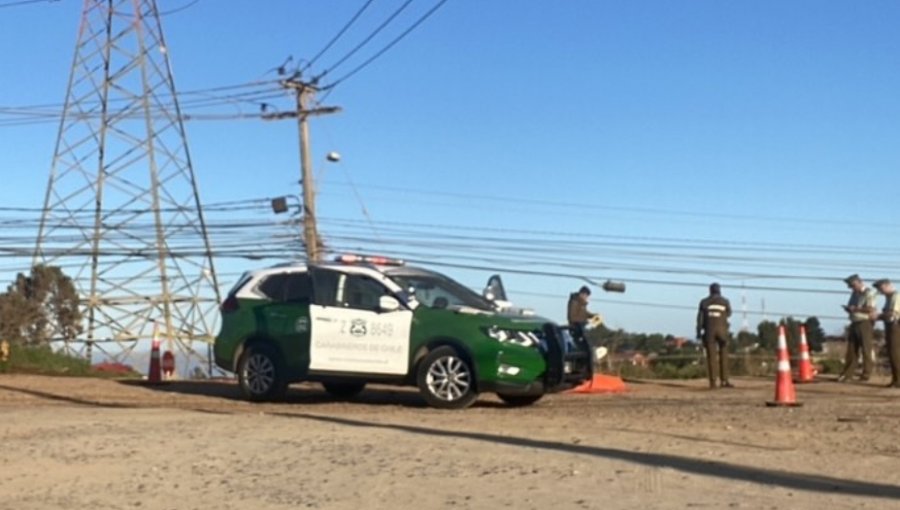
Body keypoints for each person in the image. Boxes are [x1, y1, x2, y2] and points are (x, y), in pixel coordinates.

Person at [838, 274, 876, 382]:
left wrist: (855, 309)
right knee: (851, 349)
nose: (851, 288)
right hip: (854, 322)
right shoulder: (854, 293)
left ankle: (866, 373)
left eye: (853, 285)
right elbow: (851, 306)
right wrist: (849, 309)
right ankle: (848, 373)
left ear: (859, 282)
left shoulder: (869, 293)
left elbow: (870, 309)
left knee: (866, 349)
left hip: (865, 322)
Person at [696, 282, 732, 389]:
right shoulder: (725, 301)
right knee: (724, 355)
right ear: (719, 290)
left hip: (709, 331)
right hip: (723, 332)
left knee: (711, 356)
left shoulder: (704, 302)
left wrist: (698, 332)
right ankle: (724, 380)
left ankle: (713, 382)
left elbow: (700, 319)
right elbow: (729, 313)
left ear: (710, 291)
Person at [872, 279, 900, 388]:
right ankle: (896, 379)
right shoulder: (889, 297)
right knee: (892, 353)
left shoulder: (895, 296)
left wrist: (878, 316)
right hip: (890, 326)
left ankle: (898, 380)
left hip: (895, 326)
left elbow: (892, 314)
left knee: (895, 353)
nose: (879, 291)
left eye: (880, 288)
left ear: (888, 285)